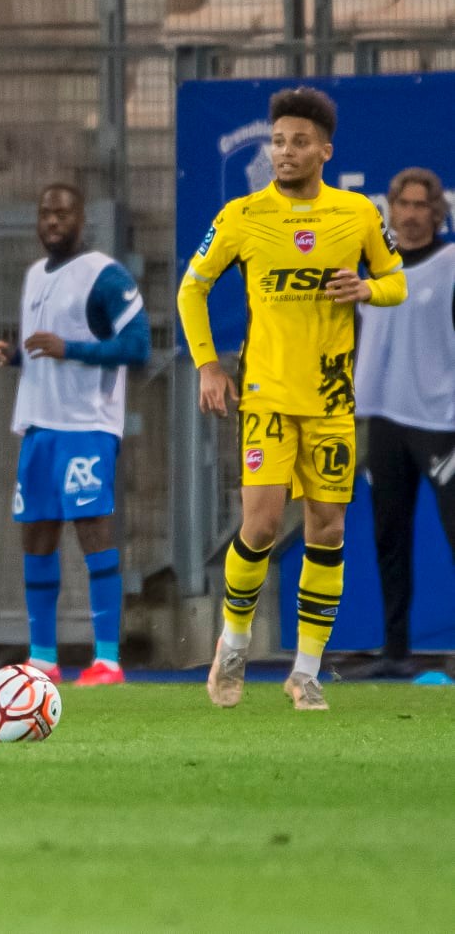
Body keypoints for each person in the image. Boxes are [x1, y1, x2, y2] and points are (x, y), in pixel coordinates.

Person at [177, 86, 407, 711]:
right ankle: (234, 641)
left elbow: (396, 283)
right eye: (277, 141)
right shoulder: (241, 217)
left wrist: (366, 289)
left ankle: (305, 672)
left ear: (324, 150)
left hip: (331, 401)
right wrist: (206, 365)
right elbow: (190, 291)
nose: (284, 151)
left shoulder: (356, 214)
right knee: (262, 523)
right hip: (267, 399)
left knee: (327, 530)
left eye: (298, 142)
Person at [0, 184, 149, 686]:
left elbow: (138, 345)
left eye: (62, 212)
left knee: (93, 532)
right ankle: (42, 659)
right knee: (36, 535)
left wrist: (69, 348)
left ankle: (107, 660)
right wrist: (15, 356)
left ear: (82, 218)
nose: (52, 221)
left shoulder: (104, 275)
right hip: (38, 424)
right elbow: (46, 352)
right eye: (45, 213)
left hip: (86, 426)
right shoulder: (35, 274)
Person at [346, 167, 455, 679]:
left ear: (437, 213)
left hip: (442, 420)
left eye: (420, 206)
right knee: (390, 535)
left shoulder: (452, 263)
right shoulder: (369, 266)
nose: (410, 215)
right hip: (382, 420)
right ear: (388, 209)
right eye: (402, 204)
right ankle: (395, 654)